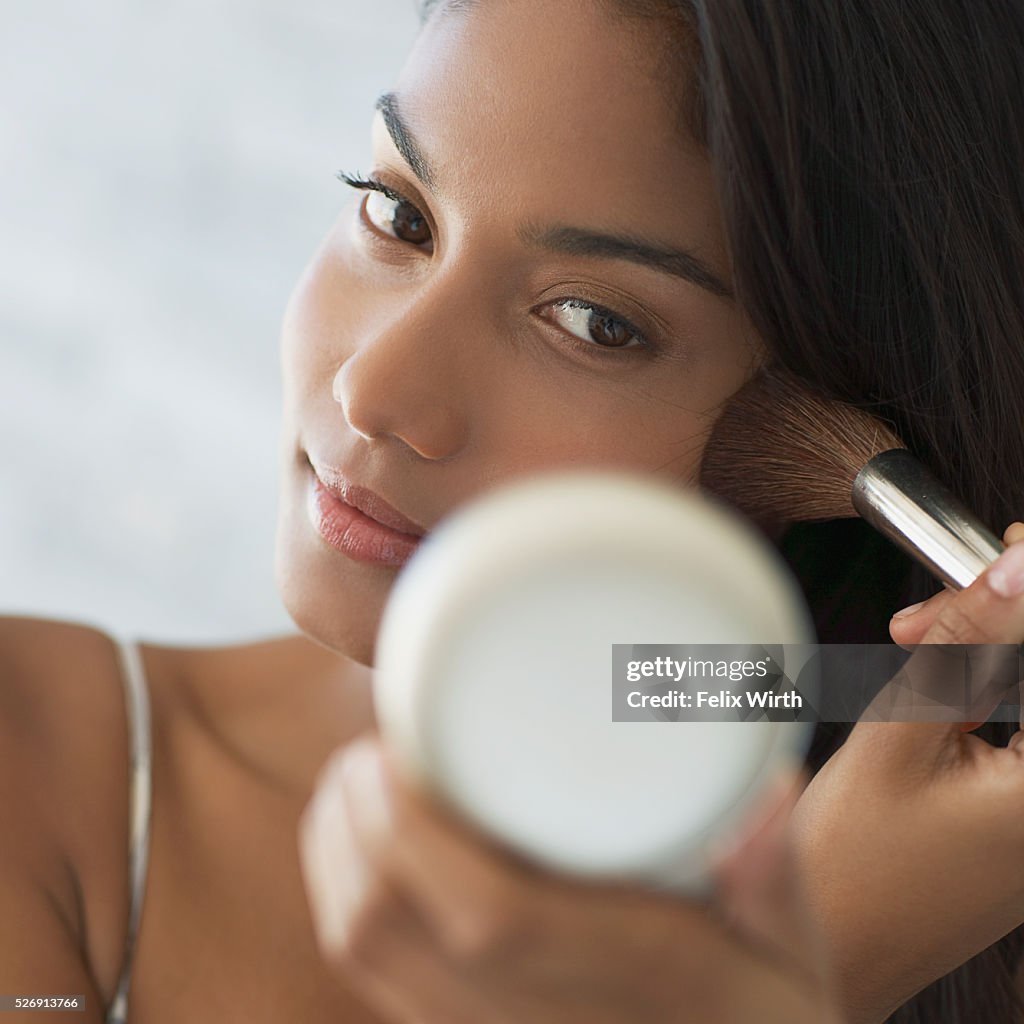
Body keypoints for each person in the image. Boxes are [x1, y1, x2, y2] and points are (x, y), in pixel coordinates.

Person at [3, 0, 1024, 1021]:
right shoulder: (33, 765)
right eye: (400, 215)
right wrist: (817, 967)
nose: (374, 387)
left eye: (593, 321)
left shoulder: (976, 901)